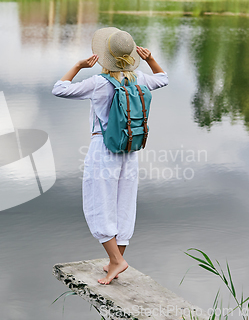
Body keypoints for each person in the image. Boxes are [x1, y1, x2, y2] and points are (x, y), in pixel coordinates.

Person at [51, 27, 168, 285]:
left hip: (103, 150)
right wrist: (150, 60)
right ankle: (116, 260)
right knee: (123, 203)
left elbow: (59, 89)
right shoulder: (139, 80)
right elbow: (163, 78)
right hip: (129, 150)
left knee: (99, 205)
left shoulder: (98, 83)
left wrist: (78, 66)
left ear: (105, 57)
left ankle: (117, 260)